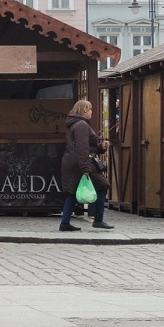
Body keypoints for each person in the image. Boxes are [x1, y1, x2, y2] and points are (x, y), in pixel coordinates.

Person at [59, 99, 113, 232]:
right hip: (82, 162)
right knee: (102, 186)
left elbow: (87, 147)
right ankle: (98, 220)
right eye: (90, 109)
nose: (91, 112)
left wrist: (101, 147)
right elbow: (82, 148)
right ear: (84, 110)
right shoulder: (82, 125)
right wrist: (85, 168)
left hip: (72, 161)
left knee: (72, 192)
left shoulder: (74, 124)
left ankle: (65, 223)